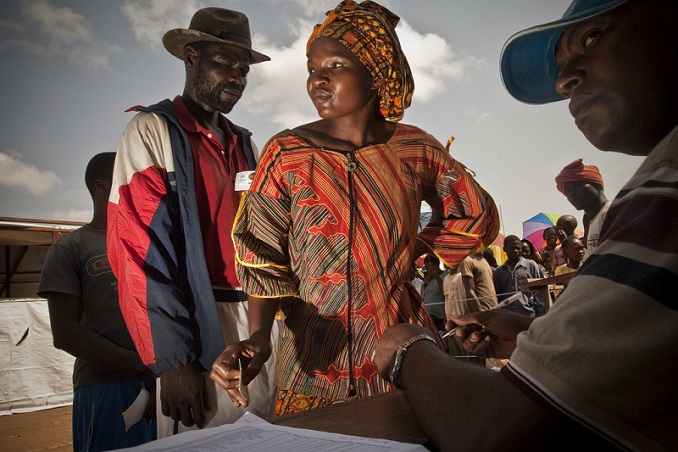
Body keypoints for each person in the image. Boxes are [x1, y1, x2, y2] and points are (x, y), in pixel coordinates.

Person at [374, 0, 678, 449]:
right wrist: (536, 343)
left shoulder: (663, 192)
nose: (563, 80)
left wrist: (405, 349)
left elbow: (497, 429)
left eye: (591, 39)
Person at [210, 0, 499, 416]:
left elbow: (476, 212)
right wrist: (256, 338)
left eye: (335, 65)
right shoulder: (285, 152)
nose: (317, 80)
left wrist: (411, 249)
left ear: (375, 71)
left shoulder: (414, 149)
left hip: (398, 357)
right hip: (311, 367)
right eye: (311, 69)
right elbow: (261, 256)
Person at [107, 8, 278, 436]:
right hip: (197, 325)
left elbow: (266, 238)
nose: (237, 76)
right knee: (207, 438)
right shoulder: (151, 130)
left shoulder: (246, 142)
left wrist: (263, 332)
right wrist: (173, 361)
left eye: (243, 69)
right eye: (225, 63)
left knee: (268, 436)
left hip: (256, 323)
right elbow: (138, 254)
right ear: (190, 57)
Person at [38, 153, 156, 451]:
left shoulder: (151, 243)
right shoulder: (71, 247)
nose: (138, 186)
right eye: (127, 177)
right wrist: (141, 365)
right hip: (105, 387)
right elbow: (65, 333)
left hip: (163, 385)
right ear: (102, 186)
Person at [555, 159, 610, 260]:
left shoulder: (612, 213)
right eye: (567, 190)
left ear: (596, 184)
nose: (571, 194)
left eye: (577, 186)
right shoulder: (591, 221)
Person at [494, 235, 545, 317]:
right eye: (512, 248)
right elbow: (499, 296)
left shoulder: (531, 265)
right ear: (504, 249)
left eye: (518, 248)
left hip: (529, 313)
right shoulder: (500, 271)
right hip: (509, 316)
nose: (515, 251)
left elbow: (539, 292)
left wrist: (541, 314)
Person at [552, 236, 585, 300]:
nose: (581, 252)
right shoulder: (560, 270)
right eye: (576, 249)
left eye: (582, 248)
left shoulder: (588, 267)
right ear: (565, 252)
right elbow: (557, 294)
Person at [423, 254, 450, 330]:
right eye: (427, 268)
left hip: (438, 316)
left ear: (435, 265)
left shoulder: (445, 275)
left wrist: (437, 277)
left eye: (429, 268)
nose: (428, 270)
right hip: (428, 314)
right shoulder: (430, 280)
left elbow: (445, 292)